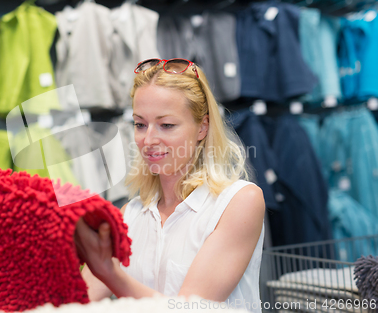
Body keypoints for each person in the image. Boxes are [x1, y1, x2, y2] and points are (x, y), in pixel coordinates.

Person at [74, 58, 265, 312]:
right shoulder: (130, 215)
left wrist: (111, 275)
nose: (148, 139)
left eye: (166, 125)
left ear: (202, 127)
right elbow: (77, 299)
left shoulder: (239, 202)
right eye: (140, 124)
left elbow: (189, 309)